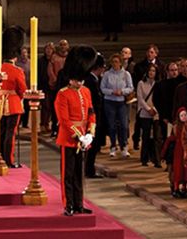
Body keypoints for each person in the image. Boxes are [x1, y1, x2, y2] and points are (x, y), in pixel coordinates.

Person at [55, 45, 97, 216]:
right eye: (76, 79)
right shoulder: (62, 94)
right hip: (69, 138)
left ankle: (79, 203)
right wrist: (79, 136)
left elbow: (91, 113)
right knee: (68, 174)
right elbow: (64, 120)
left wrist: (90, 133)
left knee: (79, 174)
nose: (79, 82)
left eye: (80, 79)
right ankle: (69, 204)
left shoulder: (86, 91)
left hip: (84, 138)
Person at [0, 27, 27, 168]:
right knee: (11, 133)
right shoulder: (17, 71)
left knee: (2, 132)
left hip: (0, 103)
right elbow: (22, 89)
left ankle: (0, 157)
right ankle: (9, 160)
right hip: (14, 104)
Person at [100, 53, 134, 158]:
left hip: (121, 102)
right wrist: (112, 92)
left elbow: (131, 87)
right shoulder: (107, 74)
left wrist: (122, 91)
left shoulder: (126, 74)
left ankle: (124, 146)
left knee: (123, 125)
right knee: (111, 125)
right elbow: (102, 88)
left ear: (120, 63)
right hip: (110, 101)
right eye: (113, 62)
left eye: (117, 62)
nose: (115, 64)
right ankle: (113, 147)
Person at [84, 53, 105, 178]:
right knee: (93, 146)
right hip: (93, 118)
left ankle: (89, 168)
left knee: (94, 146)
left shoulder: (93, 80)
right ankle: (89, 170)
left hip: (96, 117)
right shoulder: (90, 81)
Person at [161, 107, 187, 198]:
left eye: (185, 115)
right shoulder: (176, 126)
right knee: (177, 170)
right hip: (178, 151)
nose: (184, 117)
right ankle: (176, 188)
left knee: (186, 170)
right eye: (182, 115)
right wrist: (163, 154)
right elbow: (170, 140)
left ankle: (184, 188)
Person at [137, 64, 161, 167]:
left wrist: (154, 109)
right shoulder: (141, 83)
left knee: (156, 137)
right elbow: (140, 98)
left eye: (153, 71)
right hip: (144, 113)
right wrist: (148, 109)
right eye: (150, 71)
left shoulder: (158, 84)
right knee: (146, 136)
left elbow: (160, 98)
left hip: (155, 114)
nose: (152, 73)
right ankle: (144, 158)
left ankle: (156, 159)